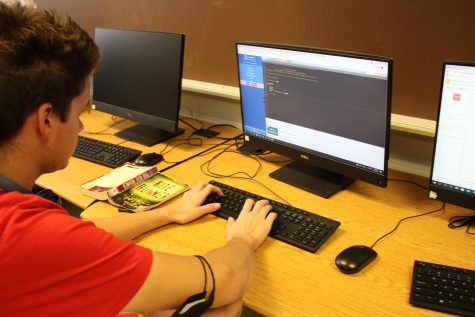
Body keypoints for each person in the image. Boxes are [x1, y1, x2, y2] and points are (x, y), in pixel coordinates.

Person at [0, 2, 277, 316]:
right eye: (80, 112)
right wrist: (242, 240)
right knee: (225, 302)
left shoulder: (23, 223)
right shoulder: (22, 233)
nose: (80, 127)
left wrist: (168, 213)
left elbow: (78, 236)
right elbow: (225, 278)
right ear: (46, 120)